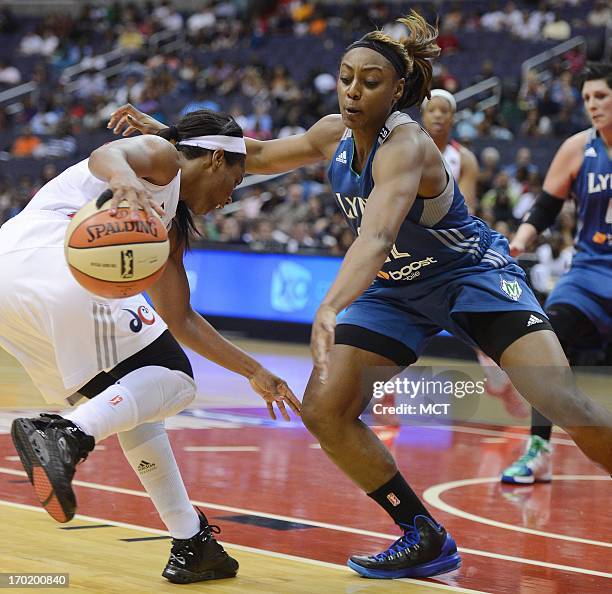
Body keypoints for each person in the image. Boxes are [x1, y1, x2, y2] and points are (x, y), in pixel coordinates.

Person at [109, 12, 612, 579]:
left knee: (562, 399)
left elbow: (375, 238)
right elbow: (258, 156)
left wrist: (329, 307)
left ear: (398, 89)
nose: (353, 89)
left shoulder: (409, 145)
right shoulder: (332, 133)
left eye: (369, 81)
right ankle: (422, 533)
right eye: (346, 76)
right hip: (396, 290)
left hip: (467, 275)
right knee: (326, 409)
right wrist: (175, 138)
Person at [1, 109, 300, 584]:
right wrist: (124, 180)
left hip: (11, 286)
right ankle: (64, 434)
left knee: (132, 401)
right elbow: (108, 152)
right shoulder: (164, 159)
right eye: (235, 181)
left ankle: (190, 541)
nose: (229, 199)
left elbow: (179, 318)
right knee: (175, 381)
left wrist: (254, 371)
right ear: (217, 159)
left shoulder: (170, 226)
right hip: (54, 262)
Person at [501, 62, 612, 484]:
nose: (592, 105)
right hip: (587, 272)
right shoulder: (577, 148)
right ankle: (539, 449)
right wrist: (522, 239)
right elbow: (546, 206)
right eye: (586, 98)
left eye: (600, 96)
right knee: (547, 342)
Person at [421, 89, 529, 419]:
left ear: (453, 118)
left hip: (449, 248)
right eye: (432, 110)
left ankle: (499, 382)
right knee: (393, 325)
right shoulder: (402, 149)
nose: (438, 115)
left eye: (444, 111)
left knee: (477, 324)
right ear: (422, 116)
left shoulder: (463, 157)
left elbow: (464, 211)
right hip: (408, 250)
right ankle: (384, 397)